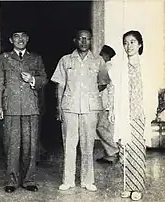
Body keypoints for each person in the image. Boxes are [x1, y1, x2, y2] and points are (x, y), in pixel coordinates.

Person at [51, 28, 105, 192]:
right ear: (75, 40)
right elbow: (60, 85)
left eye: (87, 39)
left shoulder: (98, 61)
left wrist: (90, 93)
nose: (84, 42)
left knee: (88, 146)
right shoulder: (66, 60)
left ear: (91, 41)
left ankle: (88, 181)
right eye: (81, 38)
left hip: (90, 109)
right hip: (70, 108)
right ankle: (68, 180)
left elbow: (103, 82)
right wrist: (59, 107)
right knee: (69, 144)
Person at [0, 29, 47, 193]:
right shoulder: (3, 58)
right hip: (11, 108)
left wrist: (32, 80)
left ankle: (29, 180)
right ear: (11, 40)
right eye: (16, 36)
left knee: (30, 146)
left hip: (31, 108)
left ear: (28, 38)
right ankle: (11, 180)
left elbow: (44, 79)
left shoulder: (36, 58)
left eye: (23, 36)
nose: (20, 39)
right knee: (12, 145)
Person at [112, 30, 146, 201]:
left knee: (137, 150)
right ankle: (127, 186)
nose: (129, 46)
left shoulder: (145, 65)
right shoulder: (120, 66)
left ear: (140, 44)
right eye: (126, 42)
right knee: (124, 149)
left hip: (139, 114)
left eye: (133, 42)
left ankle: (137, 187)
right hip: (124, 113)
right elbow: (115, 91)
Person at [96, 45, 120, 164]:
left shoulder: (106, 67)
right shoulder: (111, 66)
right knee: (107, 129)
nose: (99, 56)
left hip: (106, 103)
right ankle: (110, 155)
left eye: (101, 54)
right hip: (110, 103)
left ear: (106, 56)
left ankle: (115, 151)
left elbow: (102, 85)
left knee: (100, 127)